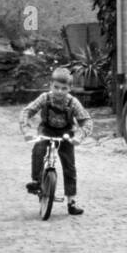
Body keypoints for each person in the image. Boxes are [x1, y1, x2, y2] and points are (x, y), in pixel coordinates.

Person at [20, 67, 91, 215]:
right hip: (46, 129)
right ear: (50, 85)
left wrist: (79, 136)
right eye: (56, 87)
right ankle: (36, 182)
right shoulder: (45, 98)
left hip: (66, 133)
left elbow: (86, 121)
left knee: (69, 165)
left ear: (70, 88)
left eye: (64, 88)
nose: (59, 91)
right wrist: (27, 130)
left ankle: (71, 202)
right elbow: (27, 111)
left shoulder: (73, 102)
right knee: (38, 149)